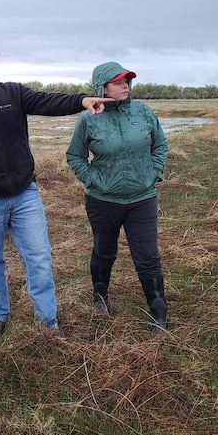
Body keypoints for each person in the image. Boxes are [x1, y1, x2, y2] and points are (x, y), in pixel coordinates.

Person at [0, 41, 112, 339]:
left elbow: (48, 102)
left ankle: (47, 323)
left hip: (24, 194)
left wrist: (82, 101)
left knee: (39, 258)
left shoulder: (13, 93)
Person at [65, 62, 170, 330]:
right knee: (104, 250)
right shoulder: (89, 118)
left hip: (142, 198)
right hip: (103, 201)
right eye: (118, 81)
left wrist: (153, 174)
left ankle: (158, 309)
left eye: (128, 81)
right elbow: (75, 155)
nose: (126, 85)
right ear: (102, 87)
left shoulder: (143, 111)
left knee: (147, 255)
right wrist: (92, 179)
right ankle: (100, 296)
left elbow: (160, 145)